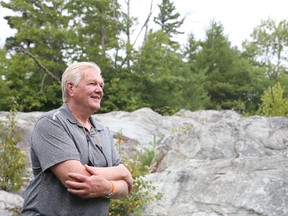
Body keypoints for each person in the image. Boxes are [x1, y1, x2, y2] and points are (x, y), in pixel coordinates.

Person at [21, 62, 133, 216]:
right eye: (92, 84)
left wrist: (109, 188)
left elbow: (126, 187)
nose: (99, 90)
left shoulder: (103, 131)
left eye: (101, 85)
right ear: (71, 88)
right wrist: (122, 171)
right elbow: (76, 179)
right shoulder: (51, 123)